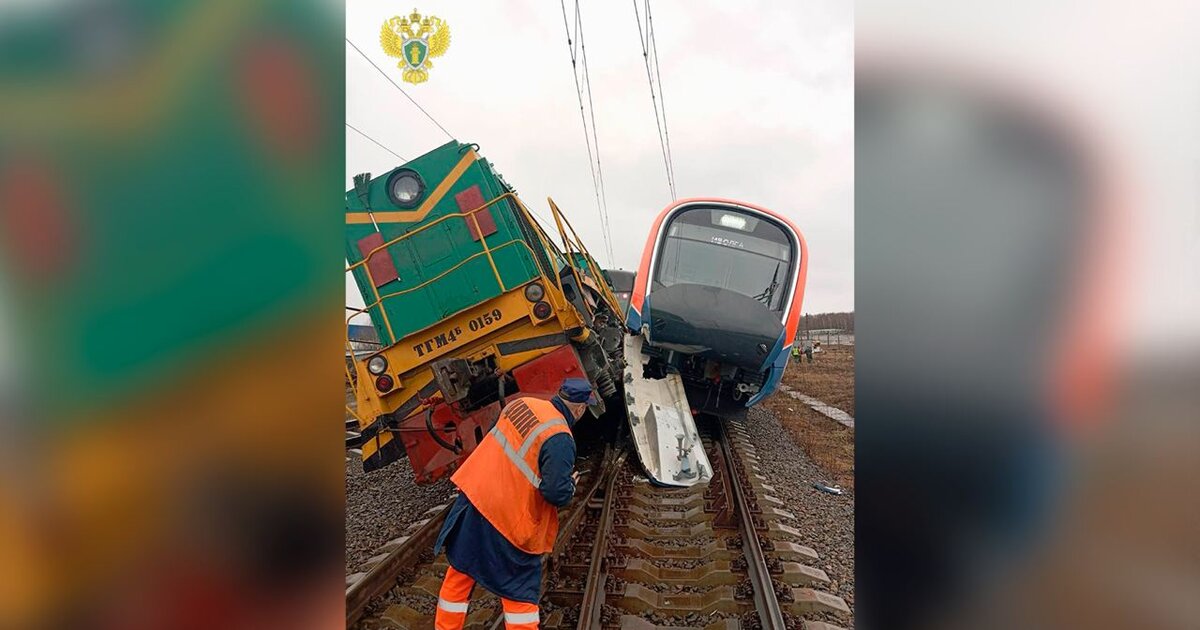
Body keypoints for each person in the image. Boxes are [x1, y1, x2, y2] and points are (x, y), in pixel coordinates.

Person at [432, 377, 597, 629]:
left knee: (460, 573)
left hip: (474, 499)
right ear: (580, 408)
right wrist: (570, 485)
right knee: (519, 594)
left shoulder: (521, 404)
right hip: (508, 520)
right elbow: (556, 493)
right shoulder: (560, 437)